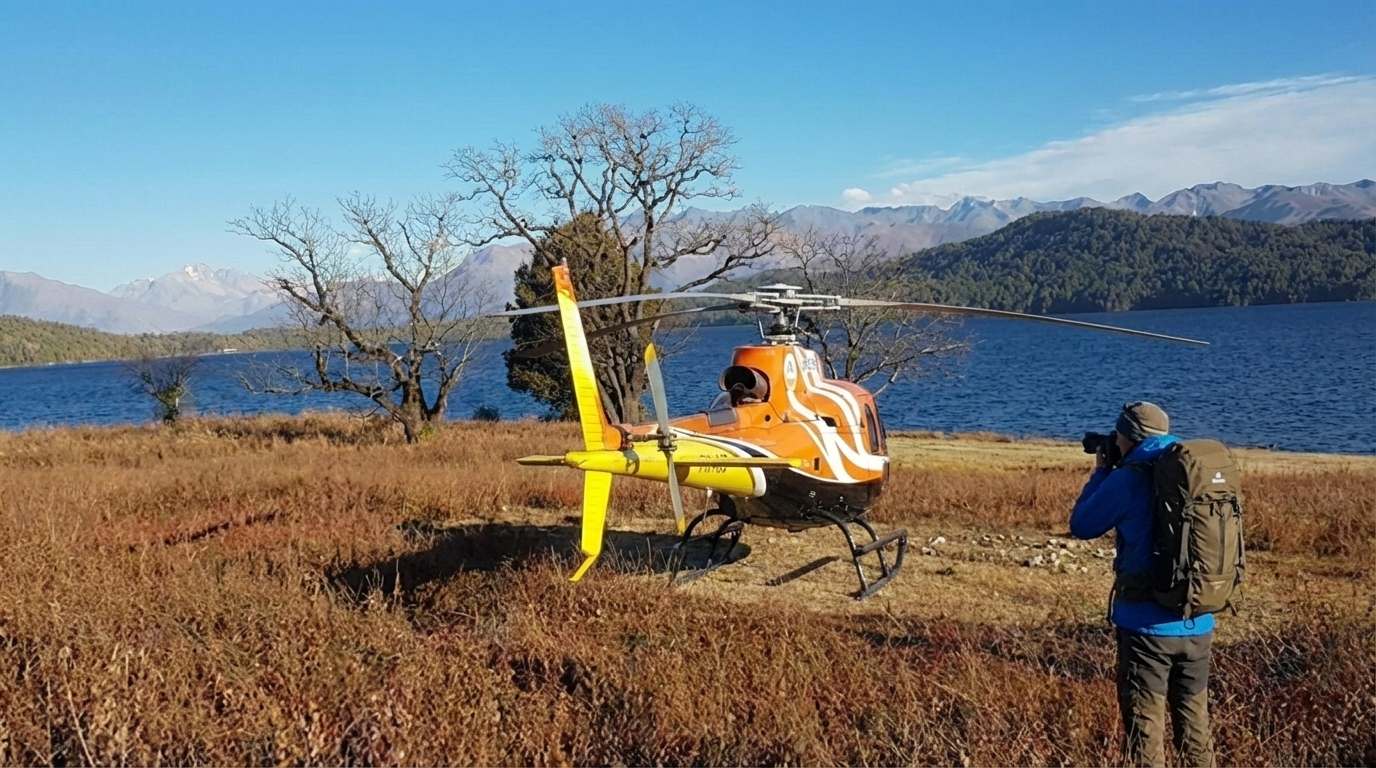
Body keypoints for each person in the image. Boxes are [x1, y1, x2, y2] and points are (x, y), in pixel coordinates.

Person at [1070, 401, 1215, 768]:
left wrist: (1102, 473)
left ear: (1128, 437)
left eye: (1117, 436)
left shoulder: (1129, 477)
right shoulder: (1195, 469)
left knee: (1146, 732)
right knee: (1195, 724)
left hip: (1146, 626)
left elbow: (1083, 525)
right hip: (1198, 619)